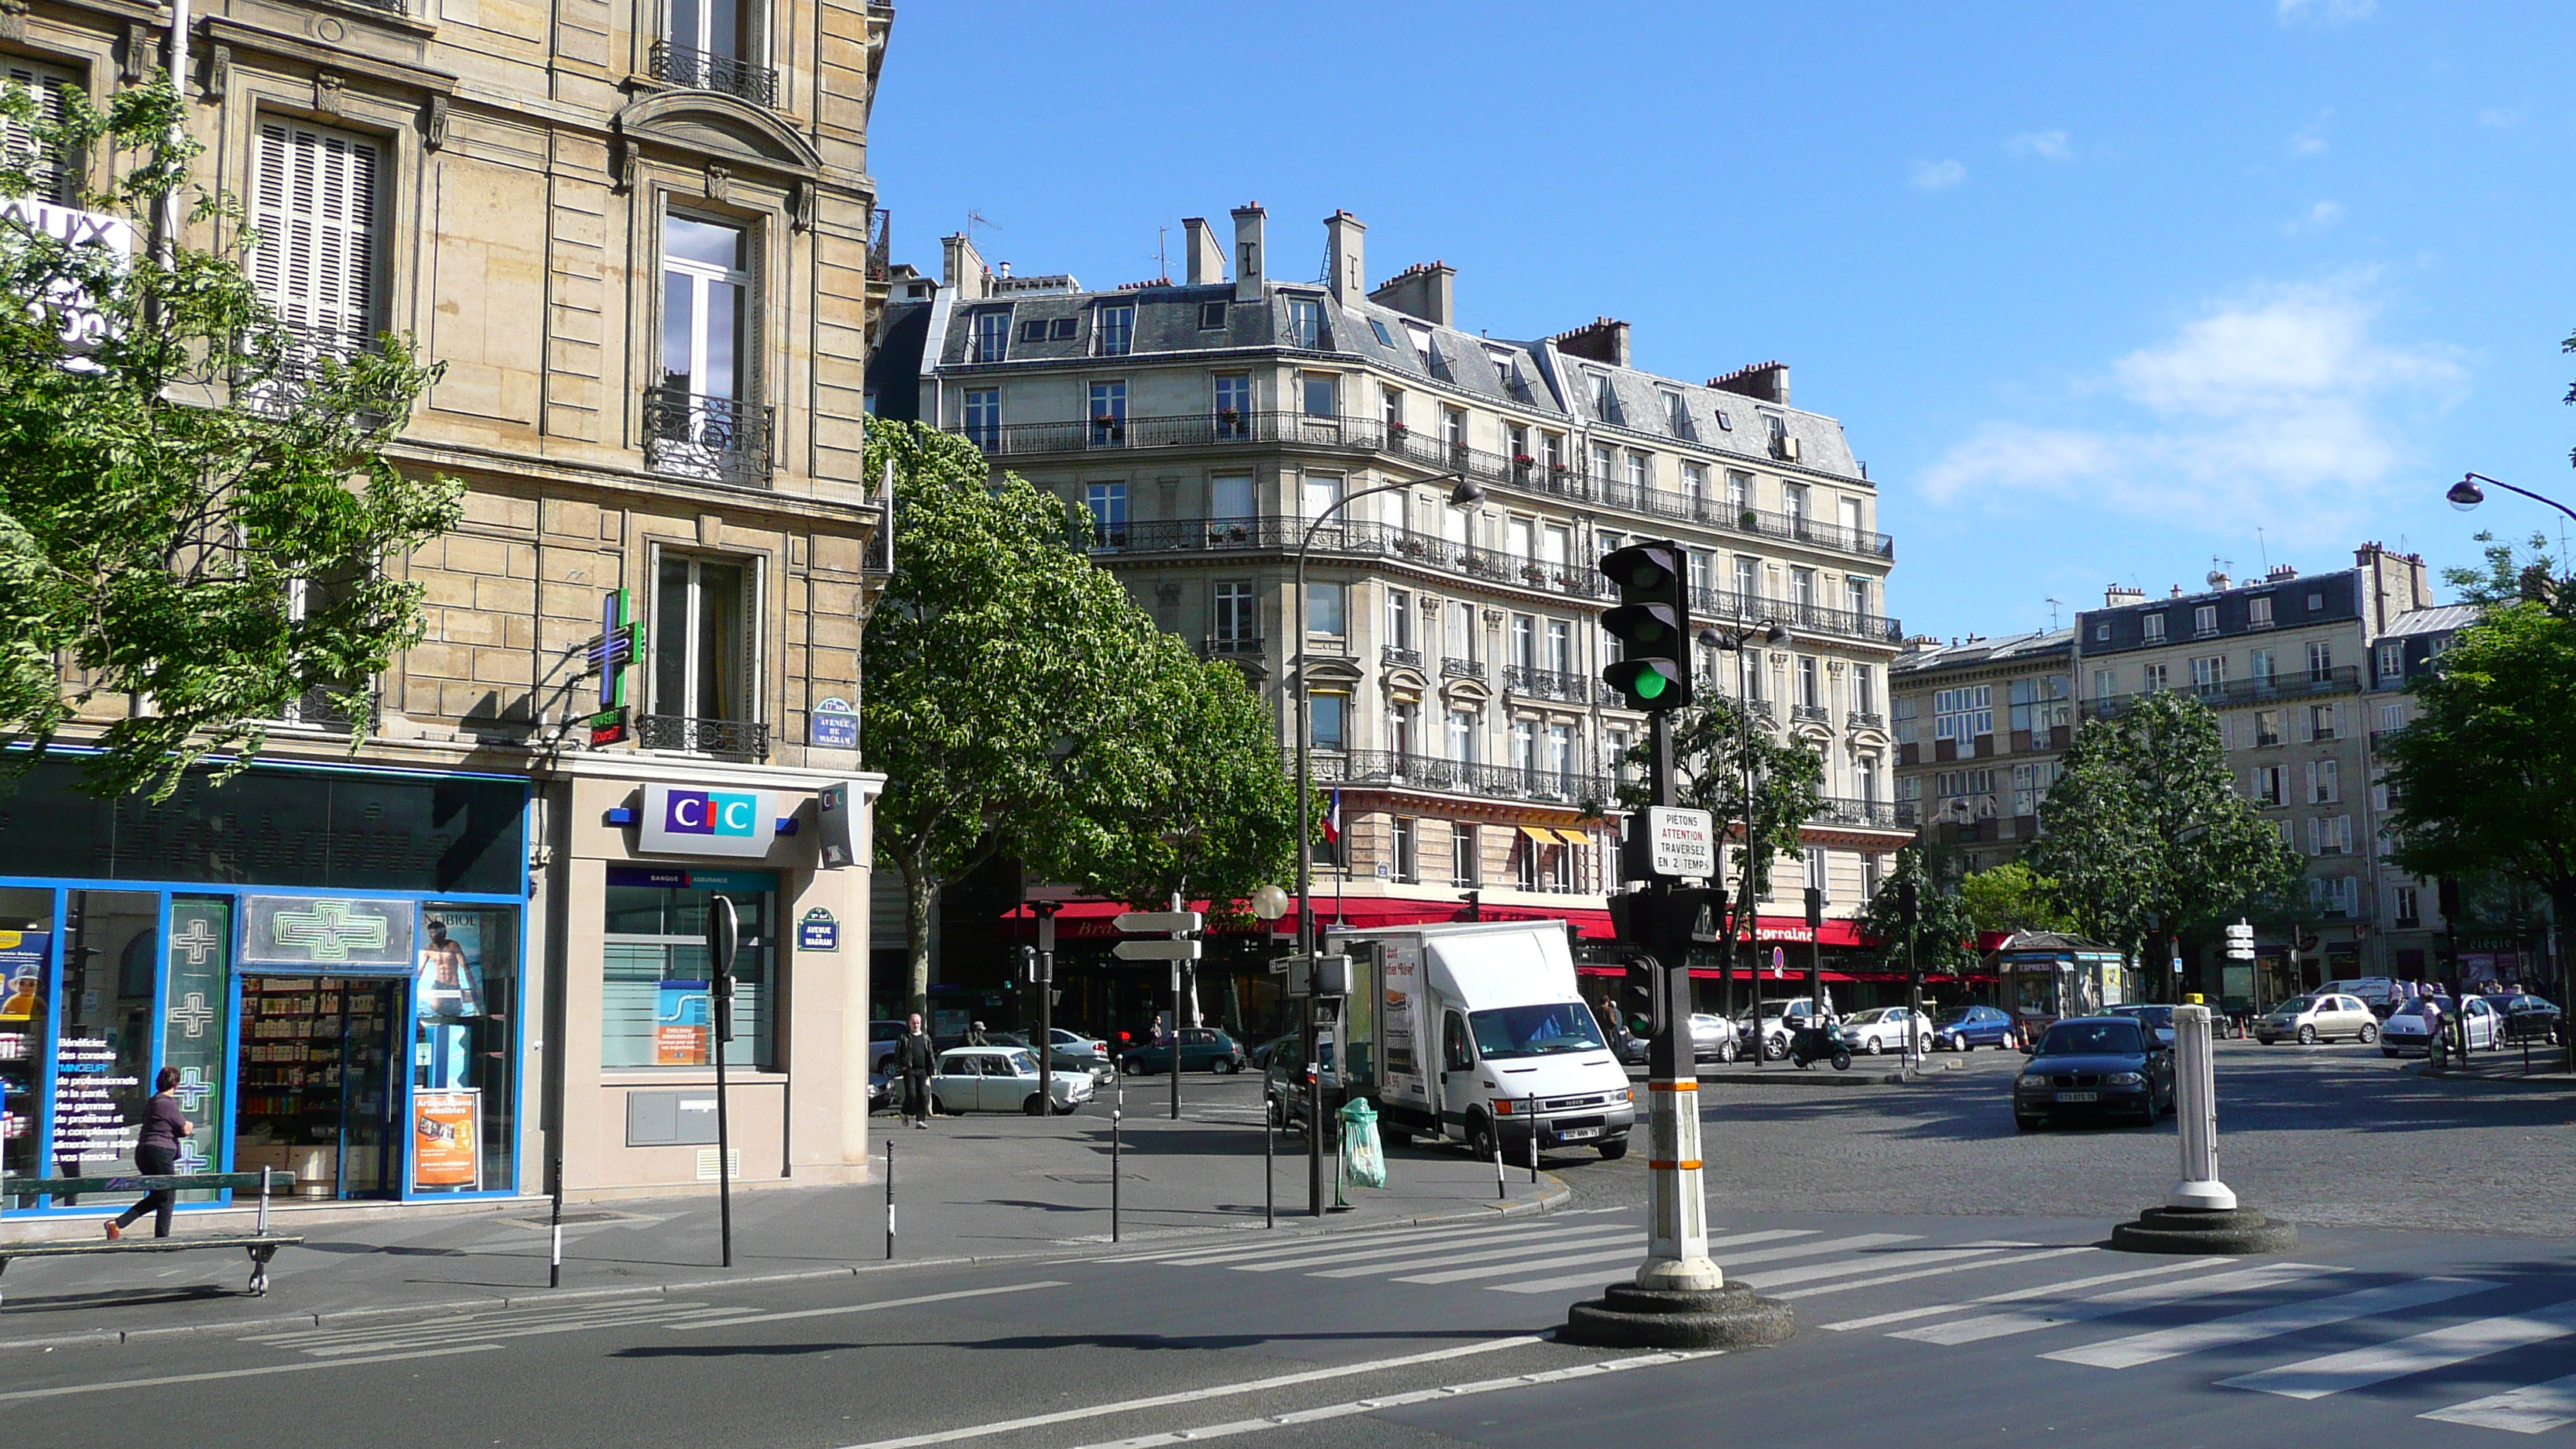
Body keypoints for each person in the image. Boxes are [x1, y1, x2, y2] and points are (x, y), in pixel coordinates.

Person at [107, 1067, 191, 1240]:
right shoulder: (167, 1103)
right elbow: (183, 1128)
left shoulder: (154, 1101)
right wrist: (189, 1126)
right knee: (167, 1197)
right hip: (160, 1152)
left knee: (159, 1196)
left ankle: (118, 1224)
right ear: (176, 1084)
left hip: (145, 1151)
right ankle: (162, 1240)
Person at [894, 1012, 937, 1129]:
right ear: (909, 1024)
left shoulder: (925, 1037)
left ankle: (920, 1120)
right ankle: (904, 1112)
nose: (916, 1025)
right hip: (909, 1071)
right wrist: (902, 1066)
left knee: (922, 1095)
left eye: (918, 1023)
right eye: (914, 1023)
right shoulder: (904, 1038)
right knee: (911, 1095)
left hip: (922, 1070)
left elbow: (930, 1054)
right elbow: (897, 1054)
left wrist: (933, 1068)